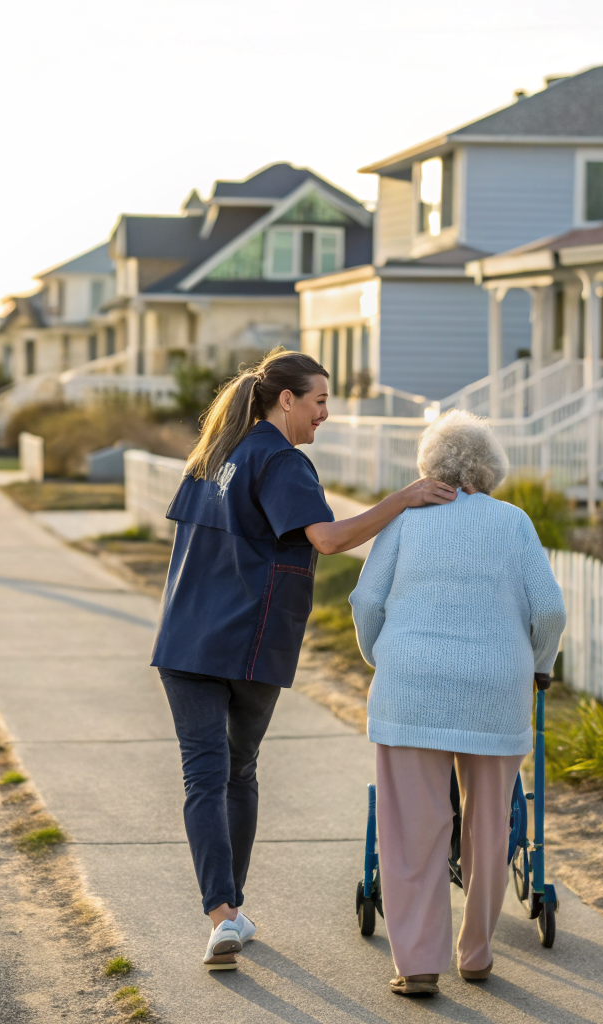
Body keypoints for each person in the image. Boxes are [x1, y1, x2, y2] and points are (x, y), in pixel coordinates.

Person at [151, 349, 457, 971]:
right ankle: (226, 914)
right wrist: (406, 497)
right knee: (236, 773)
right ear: (284, 399)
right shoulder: (282, 460)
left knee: (204, 777)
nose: (325, 414)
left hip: (184, 639)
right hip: (247, 643)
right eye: (318, 401)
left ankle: (223, 917)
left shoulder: (213, 456)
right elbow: (330, 538)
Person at [349, 410, 566, 997]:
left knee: (412, 827)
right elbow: (549, 610)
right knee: (490, 822)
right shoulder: (513, 522)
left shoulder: (406, 520)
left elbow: (366, 600)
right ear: (489, 469)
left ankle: (419, 964)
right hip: (496, 689)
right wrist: (539, 663)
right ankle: (476, 954)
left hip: (411, 685)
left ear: (430, 466)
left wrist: (382, 656)